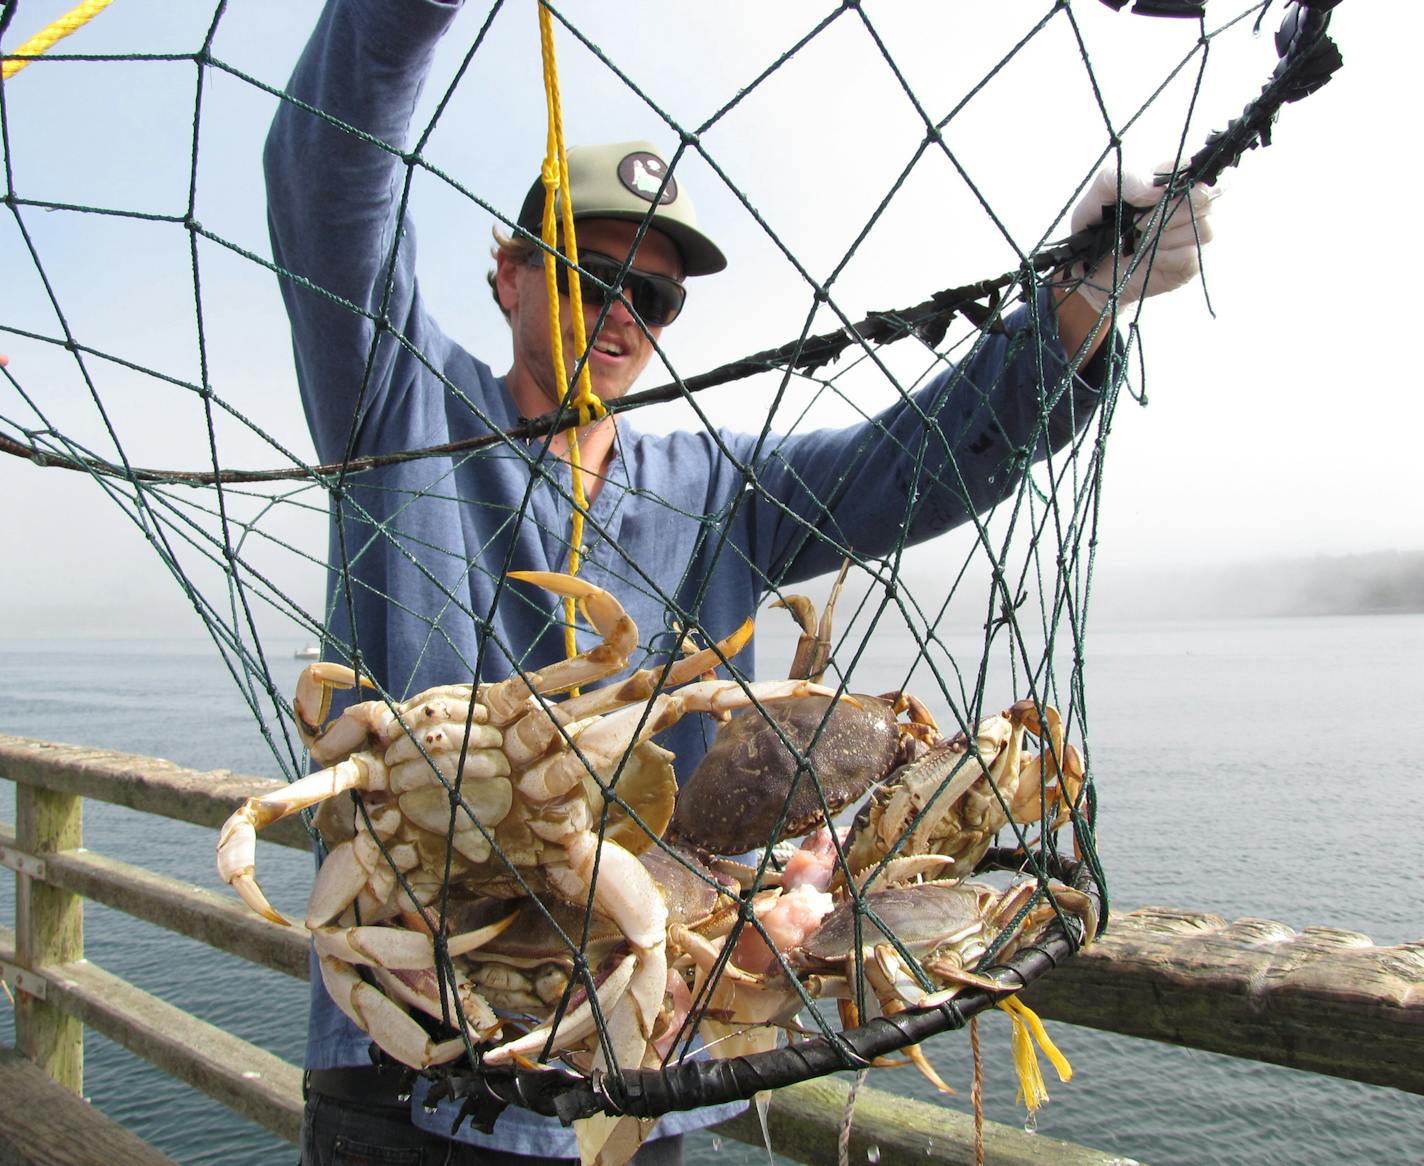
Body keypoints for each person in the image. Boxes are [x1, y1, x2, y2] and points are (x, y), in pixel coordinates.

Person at [265, 2, 1213, 1163]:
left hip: (649, 1075)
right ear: (508, 273)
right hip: (412, 1077)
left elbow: (919, 459)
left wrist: (1077, 307)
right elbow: (323, 169)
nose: (620, 310)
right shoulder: (396, 411)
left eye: (653, 296)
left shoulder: (720, 487)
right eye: (584, 269)